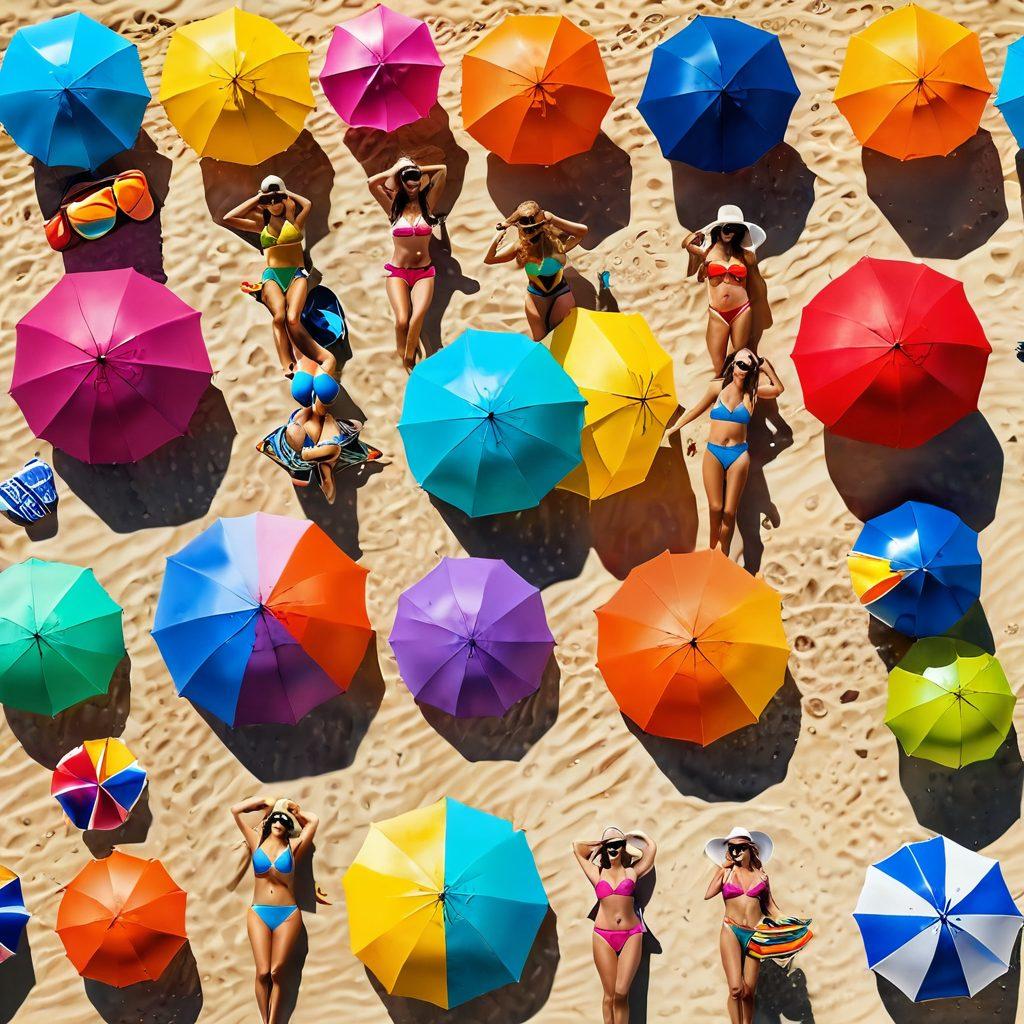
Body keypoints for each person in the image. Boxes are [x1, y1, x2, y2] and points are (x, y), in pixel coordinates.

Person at [667, 349, 784, 555]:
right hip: (714, 453)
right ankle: (713, 550)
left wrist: (765, 367)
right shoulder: (717, 387)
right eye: (740, 364)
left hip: (738, 455)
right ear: (733, 364)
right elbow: (696, 410)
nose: (743, 370)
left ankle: (723, 555)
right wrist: (673, 429)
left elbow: (778, 389)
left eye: (748, 366)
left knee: (729, 513)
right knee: (715, 508)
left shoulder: (752, 393)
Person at [222, 175, 337, 383]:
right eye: (269, 201)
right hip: (272, 275)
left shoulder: (294, 220)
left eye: (277, 199)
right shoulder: (260, 224)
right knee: (279, 317)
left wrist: (285, 193)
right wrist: (259, 199)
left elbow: (308, 204)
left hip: (296, 273)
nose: (273, 204)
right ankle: (286, 361)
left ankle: (318, 354)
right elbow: (229, 218)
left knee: (293, 318)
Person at [704, 827, 811, 1024]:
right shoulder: (726, 873)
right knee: (736, 989)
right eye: (731, 847)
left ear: (750, 849)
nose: (736, 851)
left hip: (755, 934)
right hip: (731, 930)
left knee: (748, 992)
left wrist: (789, 923)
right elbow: (708, 893)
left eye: (740, 847)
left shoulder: (761, 877)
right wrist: (724, 866)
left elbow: (770, 906)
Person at [231, 797, 319, 1024]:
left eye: (285, 820)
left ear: (289, 828)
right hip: (259, 912)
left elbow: (313, 821)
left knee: (276, 972)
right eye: (276, 818)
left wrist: (294, 810)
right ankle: (264, 1019)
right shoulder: (255, 842)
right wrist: (266, 803)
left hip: (287, 914)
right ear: (269, 822)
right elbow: (235, 810)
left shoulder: (294, 847)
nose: (280, 821)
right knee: (261, 972)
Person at [367, 157, 447, 371]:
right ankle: (402, 351)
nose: (412, 186)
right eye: (407, 181)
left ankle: (409, 359)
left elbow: (442, 169)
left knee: (416, 318)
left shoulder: (428, 203)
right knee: (402, 321)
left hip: (424, 273)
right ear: (400, 182)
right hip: (398, 273)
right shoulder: (393, 207)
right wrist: (396, 170)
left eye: (415, 181)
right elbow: (372, 184)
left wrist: (416, 169)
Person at [572, 827, 657, 1024]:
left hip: (631, 934)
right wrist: (602, 842)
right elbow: (577, 847)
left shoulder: (632, 872)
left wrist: (632, 836)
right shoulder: (597, 873)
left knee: (620, 993)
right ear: (604, 848)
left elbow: (651, 849)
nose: (613, 848)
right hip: (603, 935)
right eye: (609, 845)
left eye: (617, 845)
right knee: (609, 995)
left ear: (623, 847)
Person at [257, 387, 381, 504]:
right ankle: (304, 463)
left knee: (327, 444)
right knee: (335, 448)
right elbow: (328, 486)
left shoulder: (309, 418)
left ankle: (301, 463)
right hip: (311, 449)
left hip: (301, 447)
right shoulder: (328, 432)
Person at [684, 205, 770, 374]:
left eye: (736, 229)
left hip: (742, 310)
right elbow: (686, 243)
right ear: (719, 227)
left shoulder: (743, 254)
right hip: (718, 313)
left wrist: (745, 238)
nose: (731, 232)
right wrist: (700, 234)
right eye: (727, 227)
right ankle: (720, 398)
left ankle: (736, 397)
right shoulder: (706, 251)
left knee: (738, 362)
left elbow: (752, 260)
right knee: (718, 365)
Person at [484, 201, 588, 340]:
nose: (532, 232)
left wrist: (552, 218)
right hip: (535, 296)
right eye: (527, 229)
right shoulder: (520, 247)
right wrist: (499, 235)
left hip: (561, 293)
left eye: (535, 227)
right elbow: (490, 259)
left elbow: (582, 231)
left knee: (557, 336)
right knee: (539, 340)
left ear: (544, 224)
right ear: (521, 229)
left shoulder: (556, 242)